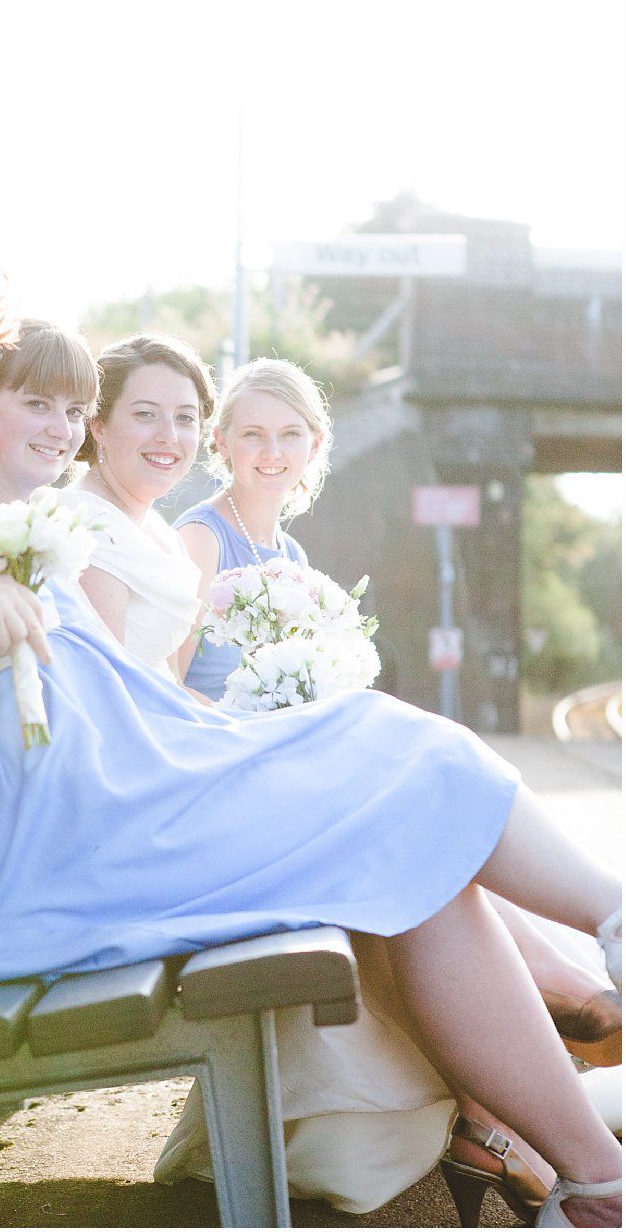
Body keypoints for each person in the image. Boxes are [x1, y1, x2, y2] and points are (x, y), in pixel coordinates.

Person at [0, 219, 622, 1229]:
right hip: (45, 855)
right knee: (404, 761)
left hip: (113, 798)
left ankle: (589, 1176)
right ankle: (601, 984)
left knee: (403, 806)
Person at [56, 335, 622, 1218]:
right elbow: (152, 700)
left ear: (315, 445)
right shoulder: (167, 538)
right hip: (203, 802)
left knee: (413, 809)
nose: (267, 452)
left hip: (233, 784)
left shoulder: (219, 543)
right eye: (248, 434)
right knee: (410, 801)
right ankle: (575, 989)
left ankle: (539, 1079)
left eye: (287, 434)